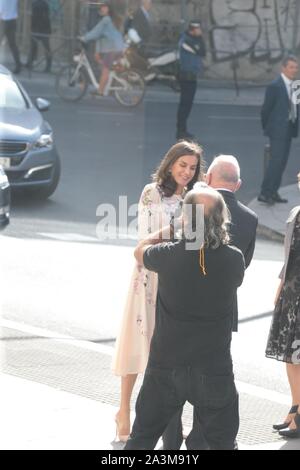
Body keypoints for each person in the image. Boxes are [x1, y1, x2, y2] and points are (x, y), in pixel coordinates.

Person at [124, 186, 245, 450]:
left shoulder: (169, 255)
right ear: (221, 219)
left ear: (186, 218)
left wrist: (174, 228)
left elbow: (139, 250)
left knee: (142, 439)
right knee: (223, 443)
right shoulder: (234, 260)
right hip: (213, 368)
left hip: (166, 365)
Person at [162, 155, 258, 450]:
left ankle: (172, 443)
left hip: (179, 313)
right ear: (238, 184)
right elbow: (243, 266)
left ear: (210, 178)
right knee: (212, 381)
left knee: (174, 379)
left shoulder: (190, 207)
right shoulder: (250, 219)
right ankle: (201, 440)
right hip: (220, 312)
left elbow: (172, 252)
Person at [112, 141, 203, 442]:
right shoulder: (152, 192)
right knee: (138, 346)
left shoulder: (196, 197)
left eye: (192, 167)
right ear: (170, 163)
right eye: (183, 165)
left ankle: (165, 423)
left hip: (178, 285)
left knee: (165, 356)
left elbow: (197, 242)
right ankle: (123, 409)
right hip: (149, 279)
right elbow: (146, 241)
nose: (187, 172)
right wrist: (177, 230)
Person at [265, 174, 300, 438]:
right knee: (291, 356)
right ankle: (295, 410)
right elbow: (289, 256)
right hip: (292, 294)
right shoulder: (295, 213)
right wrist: (280, 287)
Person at [258, 56, 299, 205]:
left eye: (296, 67)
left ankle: (274, 192)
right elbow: (265, 110)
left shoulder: (296, 85)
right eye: (291, 67)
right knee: (275, 163)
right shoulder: (274, 86)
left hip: (289, 129)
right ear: (283, 68)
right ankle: (265, 193)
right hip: (277, 131)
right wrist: (269, 129)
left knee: (281, 163)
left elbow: (296, 107)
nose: (294, 70)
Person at [82, 0, 125, 96]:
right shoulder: (110, 20)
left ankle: (100, 91)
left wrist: (84, 38)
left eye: (104, 7)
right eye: (101, 7)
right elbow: (100, 36)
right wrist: (97, 52)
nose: (102, 8)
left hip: (113, 49)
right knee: (104, 64)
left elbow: (95, 32)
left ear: (108, 9)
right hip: (117, 48)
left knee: (105, 69)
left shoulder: (106, 20)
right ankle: (108, 85)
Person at [176, 21, 206, 141]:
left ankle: (183, 130)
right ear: (192, 30)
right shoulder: (186, 41)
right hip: (186, 77)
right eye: (198, 30)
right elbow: (201, 51)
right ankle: (180, 131)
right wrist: (200, 39)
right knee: (184, 105)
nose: (200, 32)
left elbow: (202, 50)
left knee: (187, 105)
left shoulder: (193, 39)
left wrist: (200, 38)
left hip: (192, 77)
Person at [26, 0, 52, 73]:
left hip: (36, 29)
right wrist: (49, 29)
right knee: (47, 48)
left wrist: (32, 28)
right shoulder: (45, 4)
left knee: (33, 46)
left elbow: (33, 17)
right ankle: (48, 66)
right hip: (44, 29)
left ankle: (30, 63)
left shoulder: (34, 4)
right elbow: (47, 17)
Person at [0, 0, 21, 74]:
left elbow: (1, 8)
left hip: (3, 20)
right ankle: (18, 65)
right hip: (12, 20)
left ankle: (18, 65)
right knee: (13, 44)